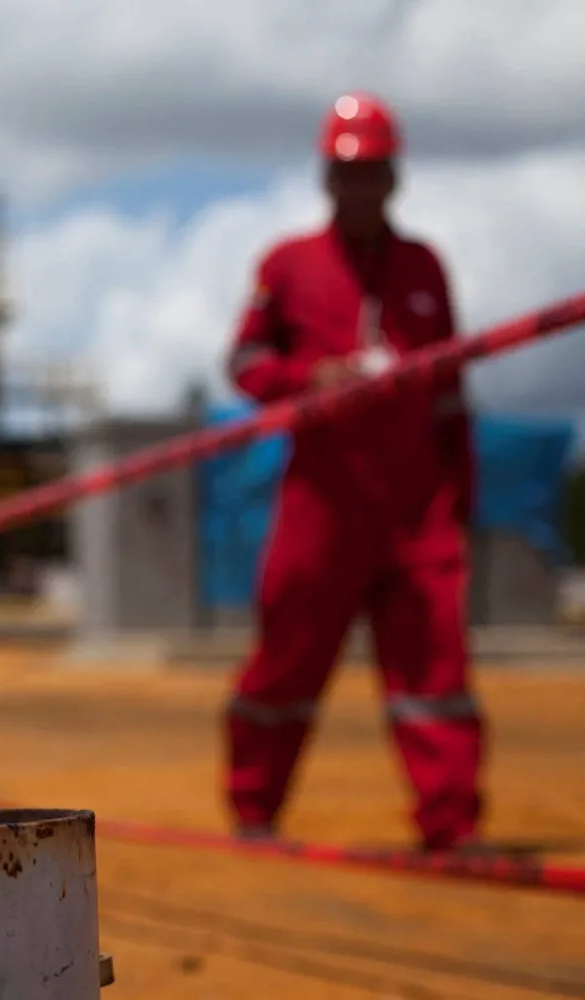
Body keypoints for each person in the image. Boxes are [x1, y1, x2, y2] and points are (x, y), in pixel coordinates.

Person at [222, 92, 482, 853]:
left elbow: (451, 394)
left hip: (417, 507)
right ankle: (254, 813)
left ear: (393, 178)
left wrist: (459, 494)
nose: (359, 186)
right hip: (322, 506)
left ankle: (451, 828)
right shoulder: (288, 266)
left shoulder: (424, 266)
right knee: (286, 663)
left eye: (371, 171)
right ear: (325, 179)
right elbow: (243, 362)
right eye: (345, 172)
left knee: (436, 671)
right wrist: (313, 379)